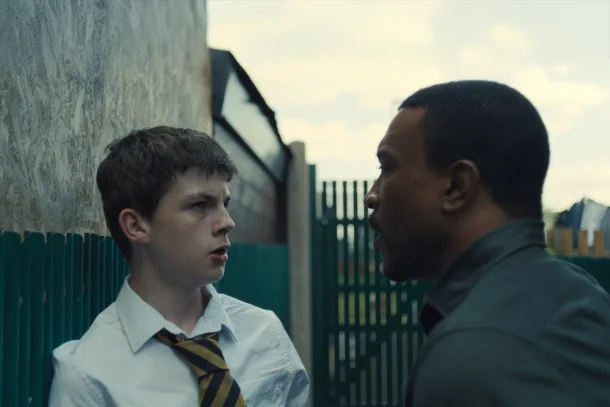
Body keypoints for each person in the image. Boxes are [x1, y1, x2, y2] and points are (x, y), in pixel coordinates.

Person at [364, 80, 610, 406]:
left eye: (386, 168)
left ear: (456, 187)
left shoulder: (470, 356)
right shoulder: (583, 297)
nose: (371, 195)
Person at [48, 126, 310, 406]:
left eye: (225, 203)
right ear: (136, 226)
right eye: (199, 205)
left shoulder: (265, 335)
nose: (227, 222)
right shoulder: (90, 376)